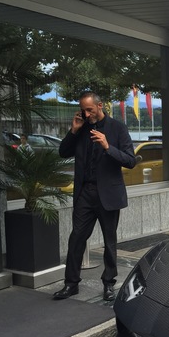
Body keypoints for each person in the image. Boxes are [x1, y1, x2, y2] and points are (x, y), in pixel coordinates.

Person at [53, 91, 136, 301]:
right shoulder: (81, 128)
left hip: (108, 194)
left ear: (100, 106)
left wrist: (108, 146)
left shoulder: (117, 128)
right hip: (85, 193)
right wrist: (74, 130)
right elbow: (63, 152)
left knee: (109, 242)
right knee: (76, 238)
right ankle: (71, 284)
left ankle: (109, 284)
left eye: (90, 109)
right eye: (84, 109)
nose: (86, 113)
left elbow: (130, 160)